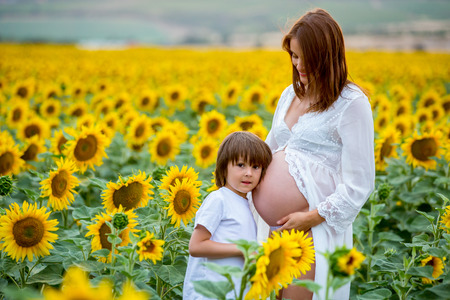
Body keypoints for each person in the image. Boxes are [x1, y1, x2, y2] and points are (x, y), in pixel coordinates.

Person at [250, 8, 375, 300]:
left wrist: (309, 218)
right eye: (294, 55)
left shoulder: (352, 104)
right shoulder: (288, 95)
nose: (299, 64)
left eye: (307, 57)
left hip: (312, 230)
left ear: (329, 55)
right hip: (268, 228)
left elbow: (360, 186)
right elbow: (268, 152)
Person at [183, 131, 272, 300]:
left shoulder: (249, 205)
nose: (248, 173)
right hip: (208, 292)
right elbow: (196, 246)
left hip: (231, 293)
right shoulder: (218, 199)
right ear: (224, 167)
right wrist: (242, 250)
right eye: (240, 165)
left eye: (255, 167)